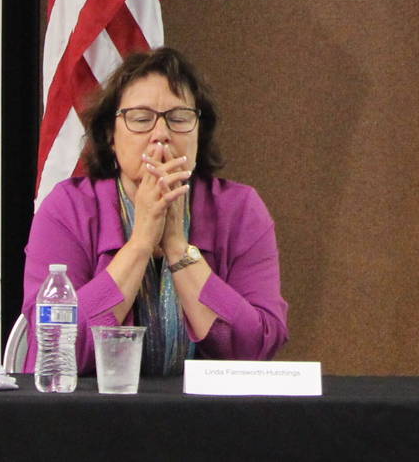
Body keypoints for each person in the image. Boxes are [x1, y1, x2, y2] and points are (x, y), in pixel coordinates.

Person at [21, 48, 288, 376]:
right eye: (141, 119)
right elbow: (56, 348)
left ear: (198, 134)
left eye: (178, 118)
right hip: (93, 416)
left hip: (211, 419)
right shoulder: (68, 208)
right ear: (110, 136)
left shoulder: (240, 209)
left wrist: (177, 246)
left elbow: (254, 348)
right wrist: (141, 242)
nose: (160, 134)